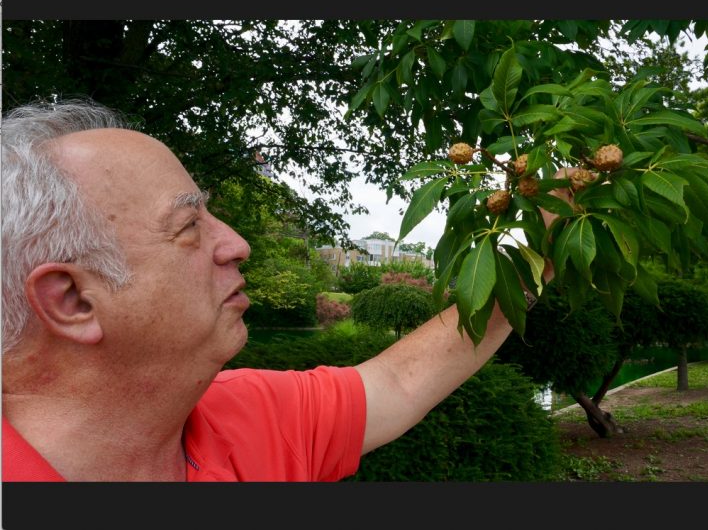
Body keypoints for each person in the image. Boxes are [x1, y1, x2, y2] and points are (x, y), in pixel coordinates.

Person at [1, 100, 557, 481]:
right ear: (72, 301)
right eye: (190, 227)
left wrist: (536, 252)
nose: (238, 244)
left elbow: (401, 381)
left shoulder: (245, 415)